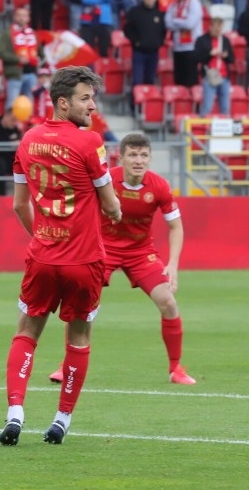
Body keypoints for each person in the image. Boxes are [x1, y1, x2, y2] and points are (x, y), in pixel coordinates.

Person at [0, 66, 121, 448]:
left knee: (26, 332)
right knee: (79, 338)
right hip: (84, 261)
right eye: (85, 98)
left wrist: (46, 237)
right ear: (62, 102)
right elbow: (110, 202)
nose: (93, 105)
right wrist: (115, 211)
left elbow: (20, 205)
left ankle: (15, 412)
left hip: (44, 257)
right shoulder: (90, 143)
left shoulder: (28, 140)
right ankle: (62, 419)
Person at [47, 133, 195, 385]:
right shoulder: (106, 180)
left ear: (150, 159)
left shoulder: (159, 186)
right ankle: (66, 366)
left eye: (144, 155)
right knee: (82, 305)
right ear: (122, 157)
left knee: (168, 302)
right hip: (102, 248)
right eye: (133, 155)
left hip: (140, 253)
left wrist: (172, 265)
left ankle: (176, 369)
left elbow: (176, 227)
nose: (139, 160)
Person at [124, 0, 166, 88]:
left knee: (150, 80)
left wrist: (158, 43)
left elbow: (163, 32)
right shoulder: (134, 12)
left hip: (154, 53)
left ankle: (148, 104)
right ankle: (134, 104)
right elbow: (127, 29)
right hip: (139, 52)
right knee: (137, 81)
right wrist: (136, 42)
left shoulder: (159, 14)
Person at [0, 7, 38, 110]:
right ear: (15, 17)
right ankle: (9, 126)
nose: (21, 18)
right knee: (12, 105)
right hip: (15, 74)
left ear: (28, 18)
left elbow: (40, 52)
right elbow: (0, 53)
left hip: (31, 74)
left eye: (24, 16)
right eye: (19, 15)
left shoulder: (33, 33)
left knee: (30, 106)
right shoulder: (7, 33)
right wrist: (17, 59)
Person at [164, 0, 203, 88]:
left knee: (191, 79)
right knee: (179, 79)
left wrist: (175, 20)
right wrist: (182, 22)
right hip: (178, 47)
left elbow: (190, 24)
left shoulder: (194, 4)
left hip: (192, 47)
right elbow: (167, 23)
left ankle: (192, 103)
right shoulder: (173, 5)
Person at [194, 16, 234, 115]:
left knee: (225, 107)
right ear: (210, 27)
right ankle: (202, 128)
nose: (217, 30)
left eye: (220, 28)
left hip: (224, 76)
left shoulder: (225, 40)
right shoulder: (202, 40)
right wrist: (210, 54)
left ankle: (224, 128)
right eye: (216, 27)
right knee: (207, 106)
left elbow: (232, 59)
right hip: (209, 76)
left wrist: (225, 56)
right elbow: (196, 58)